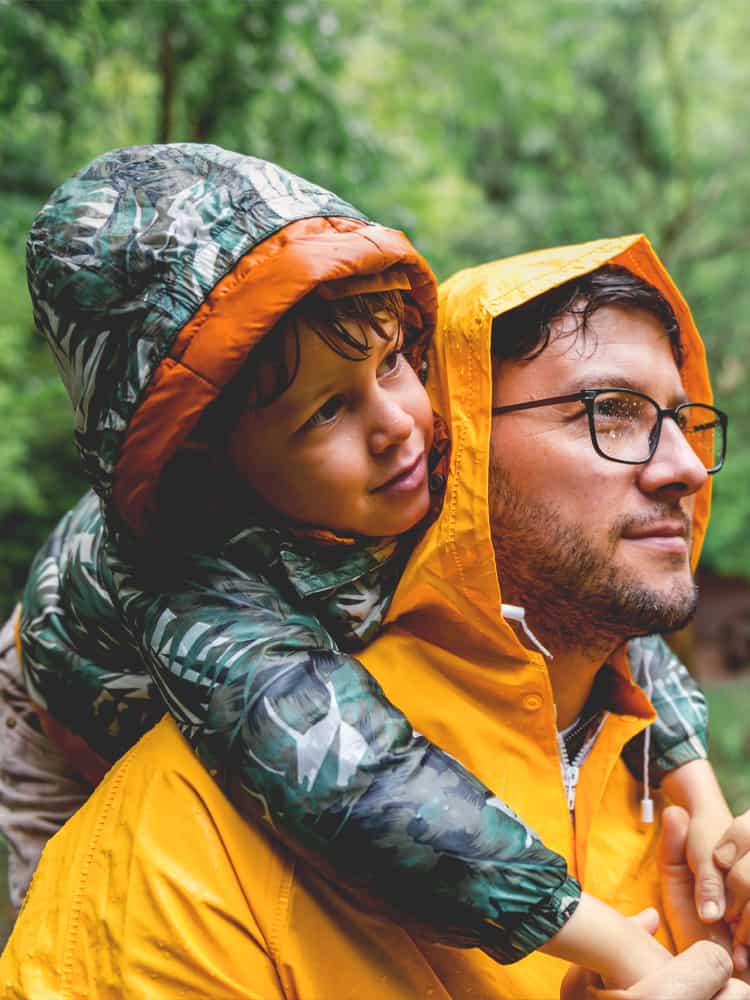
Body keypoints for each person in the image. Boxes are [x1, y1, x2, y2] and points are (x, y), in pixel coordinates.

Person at [0, 149, 745, 992]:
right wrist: (623, 949)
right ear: (216, 466)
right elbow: (347, 773)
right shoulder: (194, 581)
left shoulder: (392, 476)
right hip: (72, 708)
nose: (398, 424)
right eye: (327, 408)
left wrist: (703, 805)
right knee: (87, 915)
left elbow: (609, 625)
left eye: (393, 363)